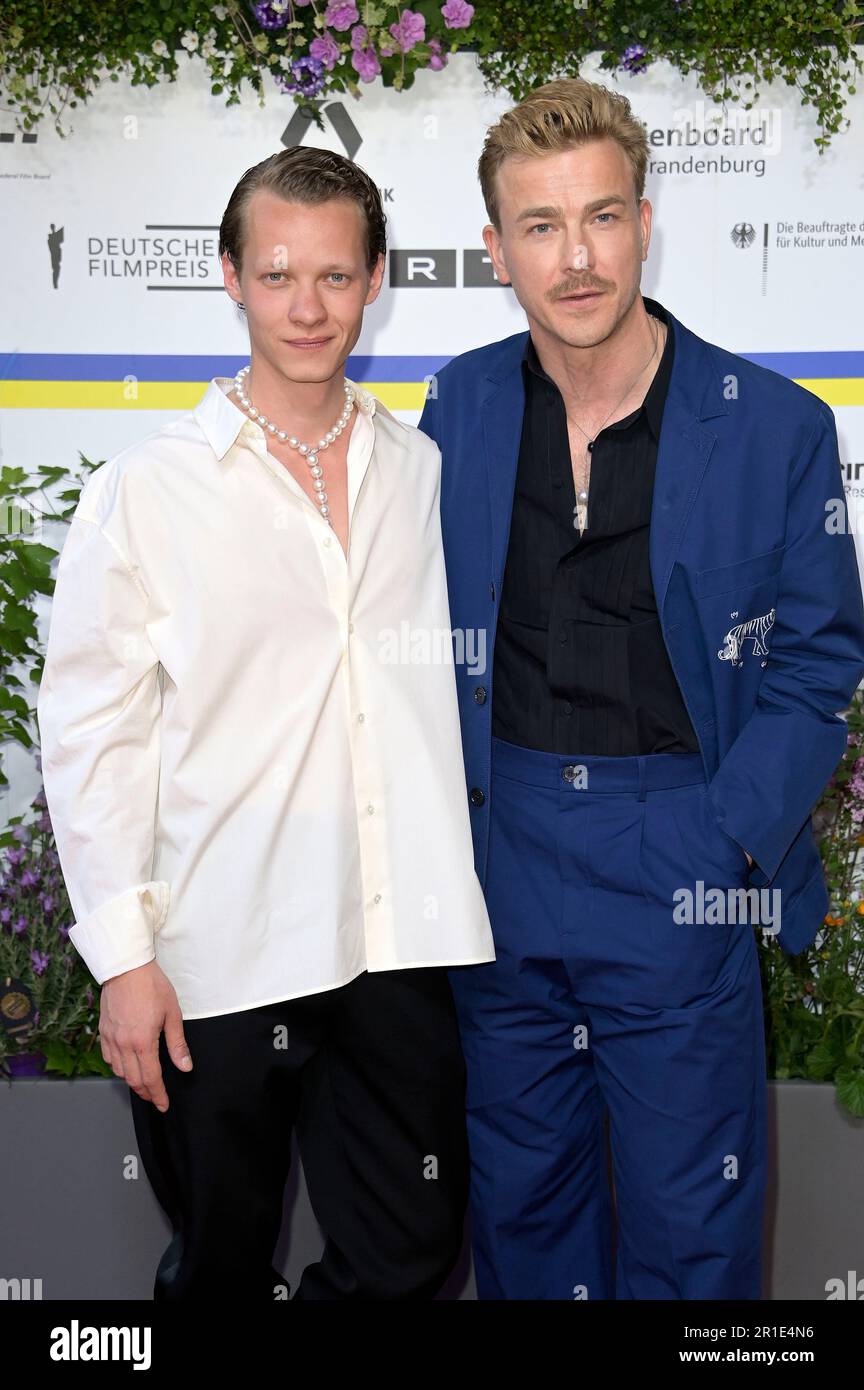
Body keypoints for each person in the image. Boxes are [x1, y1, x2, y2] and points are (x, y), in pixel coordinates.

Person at [418, 76, 864, 1300]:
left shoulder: (771, 426)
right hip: (499, 855)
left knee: (692, 1229)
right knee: (523, 1216)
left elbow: (820, 663)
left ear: (647, 223)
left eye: (602, 217)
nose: (577, 258)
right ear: (498, 248)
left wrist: (719, 840)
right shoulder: (454, 408)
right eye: (542, 227)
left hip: (678, 852)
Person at [37, 145, 494, 1301]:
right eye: (280, 273)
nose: (308, 306)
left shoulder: (422, 468)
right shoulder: (149, 487)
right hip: (218, 956)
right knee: (222, 1266)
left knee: (414, 1247)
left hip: (391, 944)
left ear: (377, 278)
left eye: (336, 276)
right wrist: (123, 958)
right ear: (231, 277)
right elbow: (94, 729)